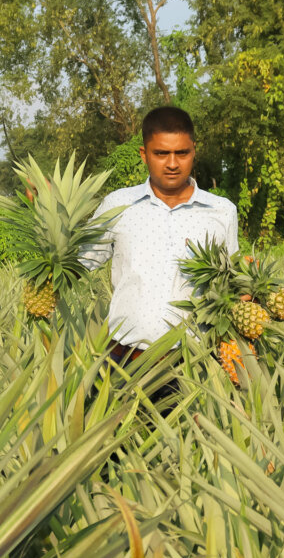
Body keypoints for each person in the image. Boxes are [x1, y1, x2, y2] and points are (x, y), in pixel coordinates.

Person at [80, 106, 239, 403]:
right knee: (120, 448)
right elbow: (80, 261)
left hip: (192, 367)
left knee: (189, 449)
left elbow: (229, 285)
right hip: (123, 360)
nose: (172, 163)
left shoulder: (222, 212)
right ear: (144, 154)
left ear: (194, 151)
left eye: (181, 153)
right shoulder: (119, 205)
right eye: (161, 153)